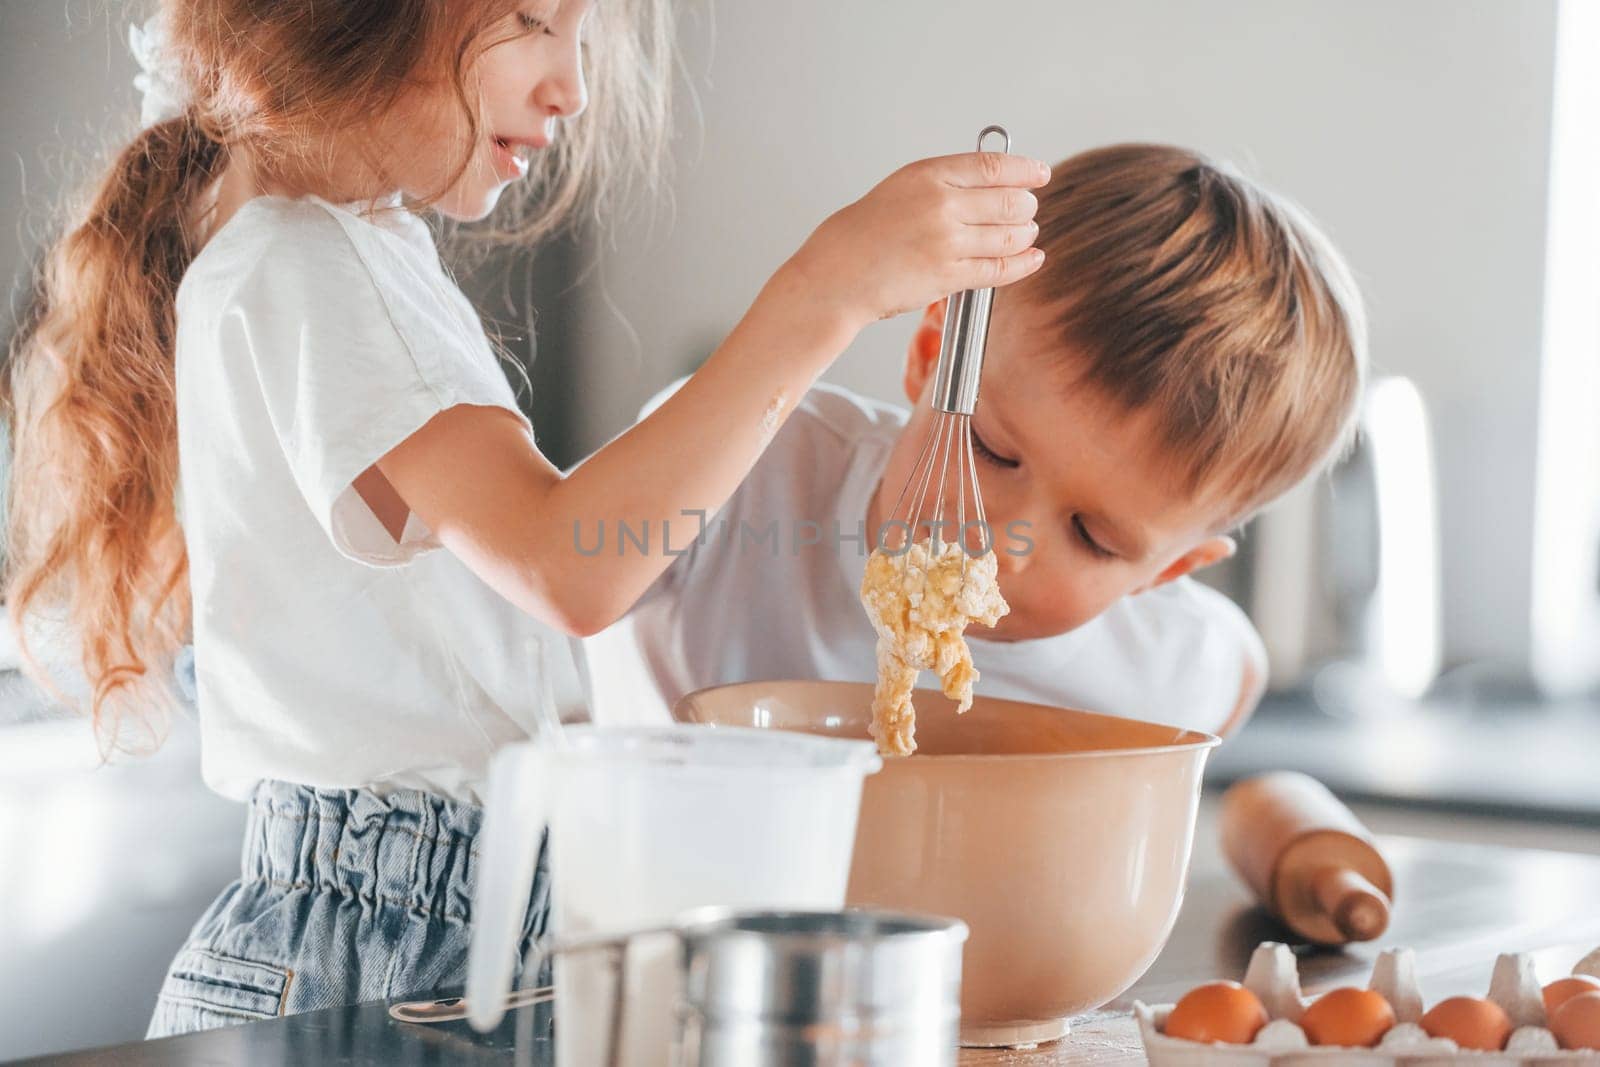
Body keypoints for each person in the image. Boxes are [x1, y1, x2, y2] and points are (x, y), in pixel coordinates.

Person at [1, 1, 1050, 1035]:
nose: (572, 86)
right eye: (530, 20)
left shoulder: (345, 256)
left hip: (442, 921)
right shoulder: (311, 265)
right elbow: (568, 561)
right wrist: (828, 288)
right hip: (378, 949)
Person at [585, 143, 1367, 741]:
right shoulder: (758, 463)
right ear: (931, 358)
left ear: (1167, 572)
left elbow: (1236, 669)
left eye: (1093, 537)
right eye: (993, 449)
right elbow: (570, 563)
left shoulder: (1164, 660)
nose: (1001, 535)